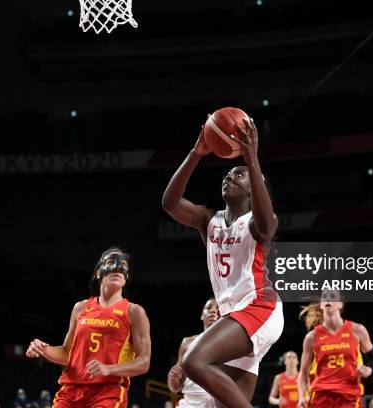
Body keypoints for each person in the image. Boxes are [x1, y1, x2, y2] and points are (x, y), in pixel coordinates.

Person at [162, 116, 284, 408]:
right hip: (234, 319)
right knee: (223, 404)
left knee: (194, 361)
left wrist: (252, 160)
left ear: (255, 189)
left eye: (238, 174)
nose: (230, 176)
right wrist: (196, 154)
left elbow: (268, 227)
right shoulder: (209, 220)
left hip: (259, 309)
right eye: (228, 173)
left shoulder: (257, 222)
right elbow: (170, 203)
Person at [26, 247, 151, 408]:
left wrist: (108, 369)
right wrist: (42, 349)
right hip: (71, 390)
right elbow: (66, 353)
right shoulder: (81, 307)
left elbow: (144, 362)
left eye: (123, 265)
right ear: (99, 273)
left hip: (108, 392)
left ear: (126, 277)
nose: (118, 267)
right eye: (111, 262)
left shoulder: (134, 311)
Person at [297, 290, 373, 408]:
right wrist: (301, 397)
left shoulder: (357, 330)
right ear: (321, 304)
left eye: (333, 296)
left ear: (340, 304)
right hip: (321, 395)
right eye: (324, 297)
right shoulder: (311, 337)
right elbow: (303, 373)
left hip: (349, 395)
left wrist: (369, 370)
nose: (328, 299)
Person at [168, 298, 220, 408]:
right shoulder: (187, 342)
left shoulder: (234, 344)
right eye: (208, 308)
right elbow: (176, 387)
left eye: (218, 308)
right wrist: (172, 377)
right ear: (202, 315)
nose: (213, 311)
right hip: (190, 402)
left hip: (218, 402)